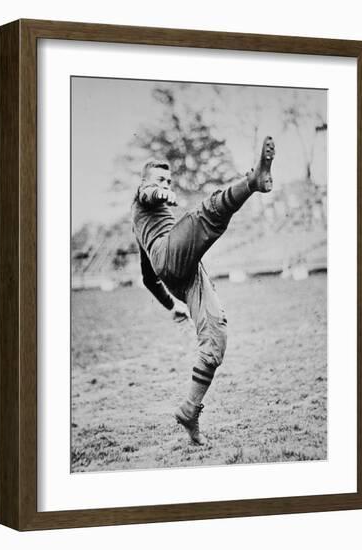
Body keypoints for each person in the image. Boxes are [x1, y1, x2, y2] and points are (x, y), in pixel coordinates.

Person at [131, 136, 275, 445]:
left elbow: (147, 277)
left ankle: (189, 410)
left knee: (216, 338)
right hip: (169, 256)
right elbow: (148, 194)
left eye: (168, 180)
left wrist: (172, 306)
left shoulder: (152, 222)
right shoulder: (143, 199)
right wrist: (159, 191)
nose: (166, 183)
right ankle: (253, 181)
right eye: (160, 179)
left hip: (183, 272)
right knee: (205, 215)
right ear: (145, 182)